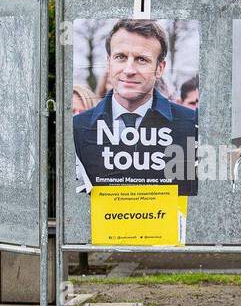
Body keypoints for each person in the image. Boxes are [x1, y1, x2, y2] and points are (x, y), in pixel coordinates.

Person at [72, 19, 198, 195]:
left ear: (160, 68)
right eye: (121, 57)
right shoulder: (76, 129)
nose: (129, 70)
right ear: (109, 62)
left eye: (141, 59)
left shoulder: (191, 126)